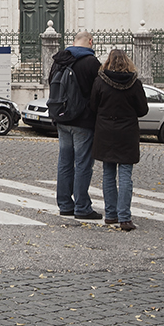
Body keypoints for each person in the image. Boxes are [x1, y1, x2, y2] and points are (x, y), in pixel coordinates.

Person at [87, 45, 149, 228]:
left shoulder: (100, 81)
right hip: (127, 133)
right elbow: (142, 109)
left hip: (105, 132)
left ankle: (111, 214)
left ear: (109, 61)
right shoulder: (135, 83)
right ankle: (125, 217)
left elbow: (93, 106)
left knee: (108, 173)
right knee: (125, 175)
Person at [47, 31, 101, 220]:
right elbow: (98, 92)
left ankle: (64, 204)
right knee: (83, 164)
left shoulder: (59, 60)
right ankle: (82, 207)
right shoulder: (91, 63)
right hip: (83, 120)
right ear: (91, 41)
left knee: (64, 162)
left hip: (62, 118)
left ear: (73, 41)